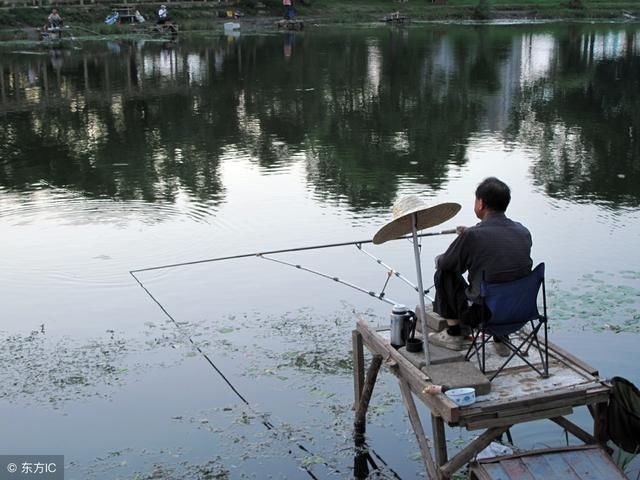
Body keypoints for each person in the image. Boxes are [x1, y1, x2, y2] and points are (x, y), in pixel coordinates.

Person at [429, 177, 533, 356]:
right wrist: (470, 234)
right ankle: (502, 338)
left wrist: (461, 241)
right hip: (519, 312)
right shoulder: (523, 231)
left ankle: (454, 334)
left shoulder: (473, 236)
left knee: (443, 272)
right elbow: (497, 246)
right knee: (505, 277)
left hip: (483, 317)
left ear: (481, 203)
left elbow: (447, 263)